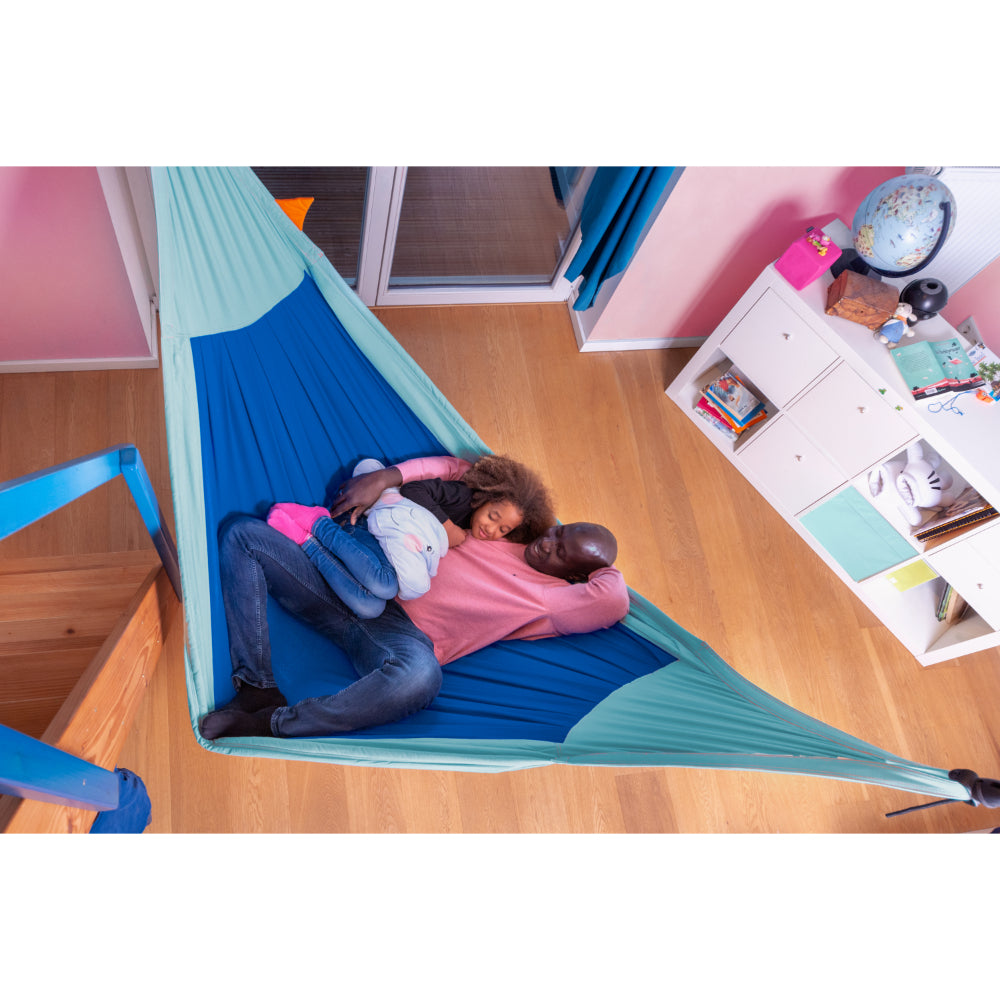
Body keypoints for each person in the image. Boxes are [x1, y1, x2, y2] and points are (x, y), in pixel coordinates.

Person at [199, 455, 628, 741]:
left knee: (421, 679)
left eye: (560, 552)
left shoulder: (554, 600)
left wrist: (590, 561)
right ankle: (256, 688)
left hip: (399, 636)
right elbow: (461, 470)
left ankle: (274, 724)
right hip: (354, 579)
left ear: (576, 576)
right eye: (557, 531)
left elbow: (614, 599)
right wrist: (384, 478)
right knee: (242, 535)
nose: (547, 542)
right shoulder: (503, 526)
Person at [265, 454, 555, 619]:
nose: (492, 530)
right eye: (493, 517)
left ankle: (307, 542)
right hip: (373, 532)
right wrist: (445, 525)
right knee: (385, 584)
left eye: (503, 530)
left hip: (389, 552)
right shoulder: (462, 497)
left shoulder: (474, 530)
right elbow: (414, 489)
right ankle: (318, 523)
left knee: (371, 607)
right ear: (484, 499)